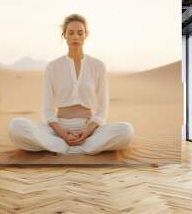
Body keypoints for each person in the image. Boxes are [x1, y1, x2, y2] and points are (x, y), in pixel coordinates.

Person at [8, 14, 134, 155]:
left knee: (126, 130)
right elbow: (47, 109)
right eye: (71, 33)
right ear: (64, 35)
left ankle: (64, 148)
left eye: (80, 33)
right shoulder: (53, 67)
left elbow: (102, 109)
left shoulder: (98, 66)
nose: (75, 37)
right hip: (58, 128)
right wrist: (61, 133)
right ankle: (76, 147)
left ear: (86, 35)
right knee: (16, 126)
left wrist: (88, 130)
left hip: (89, 128)